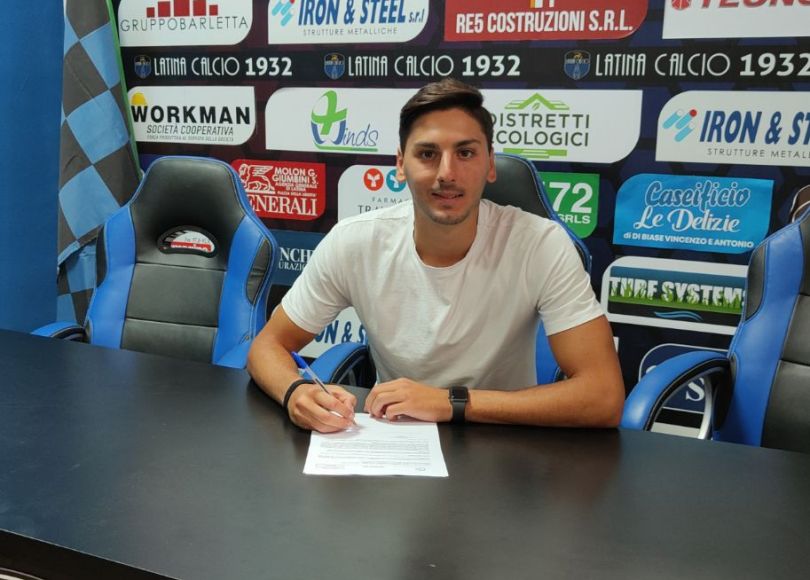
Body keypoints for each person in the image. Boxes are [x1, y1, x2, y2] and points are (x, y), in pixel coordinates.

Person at [248, 79, 624, 433]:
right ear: (400, 164)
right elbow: (268, 346)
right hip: (394, 438)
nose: (447, 173)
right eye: (428, 154)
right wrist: (295, 392)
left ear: (490, 164)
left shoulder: (540, 244)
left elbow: (603, 396)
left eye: (465, 153)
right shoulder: (355, 241)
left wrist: (452, 403)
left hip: (503, 440)